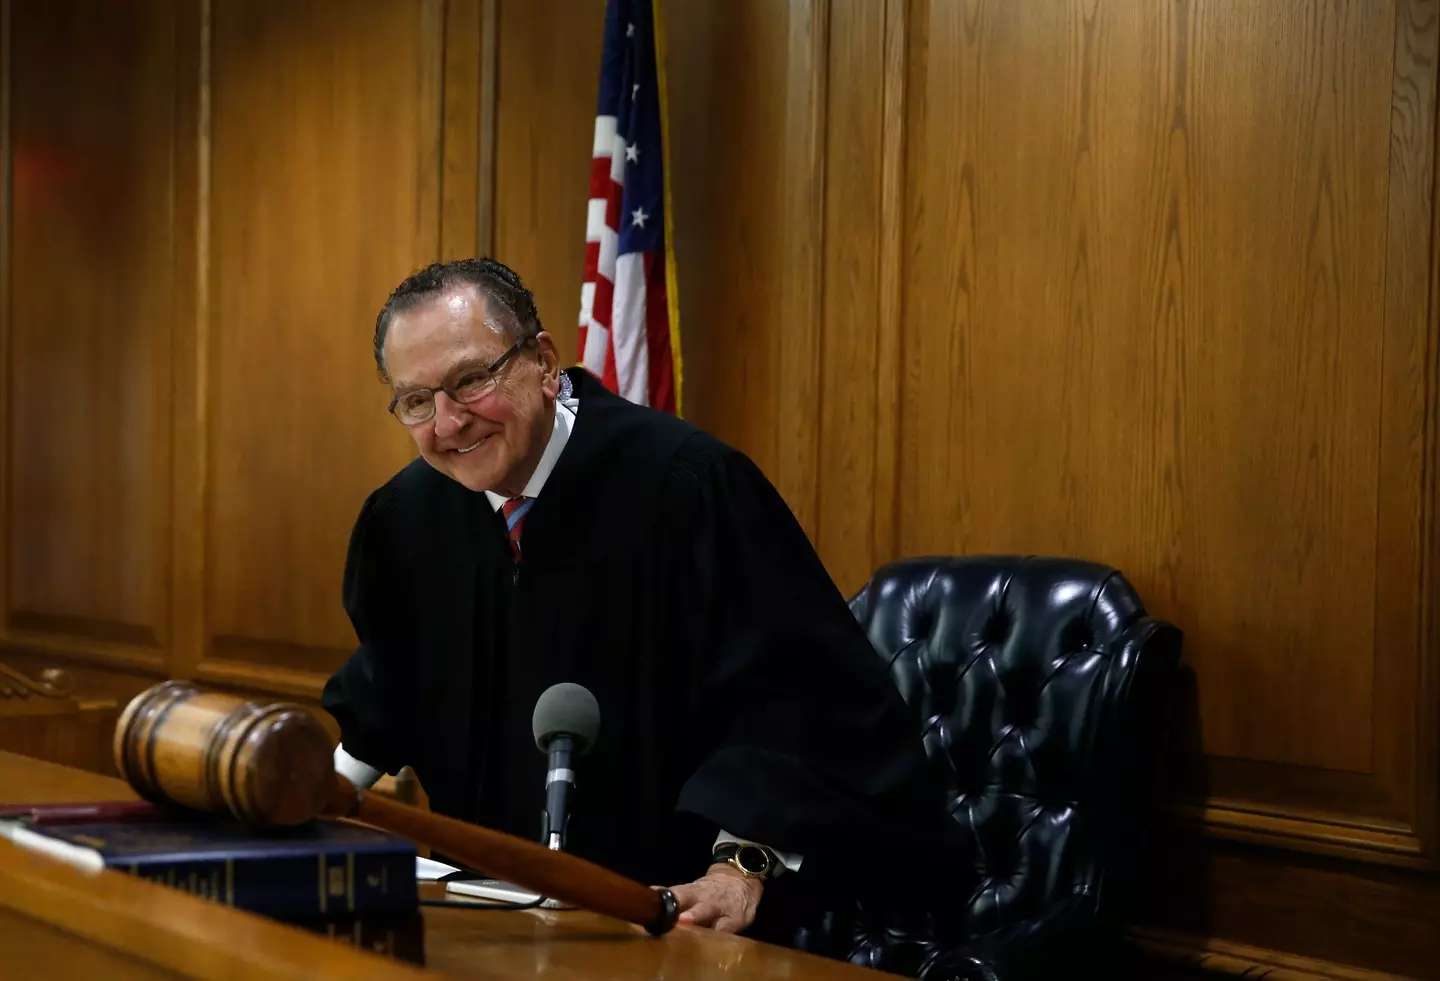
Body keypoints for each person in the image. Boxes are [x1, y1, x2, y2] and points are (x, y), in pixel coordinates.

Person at [321, 258, 953, 941]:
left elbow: (798, 697)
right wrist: (300, 790)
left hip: (669, 917)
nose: (447, 422)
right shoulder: (405, 518)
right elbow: (387, 689)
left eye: (471, 380)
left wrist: (741, 863)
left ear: (543, 361)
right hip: (483, 919)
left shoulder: (688, 487)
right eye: (416, 400)